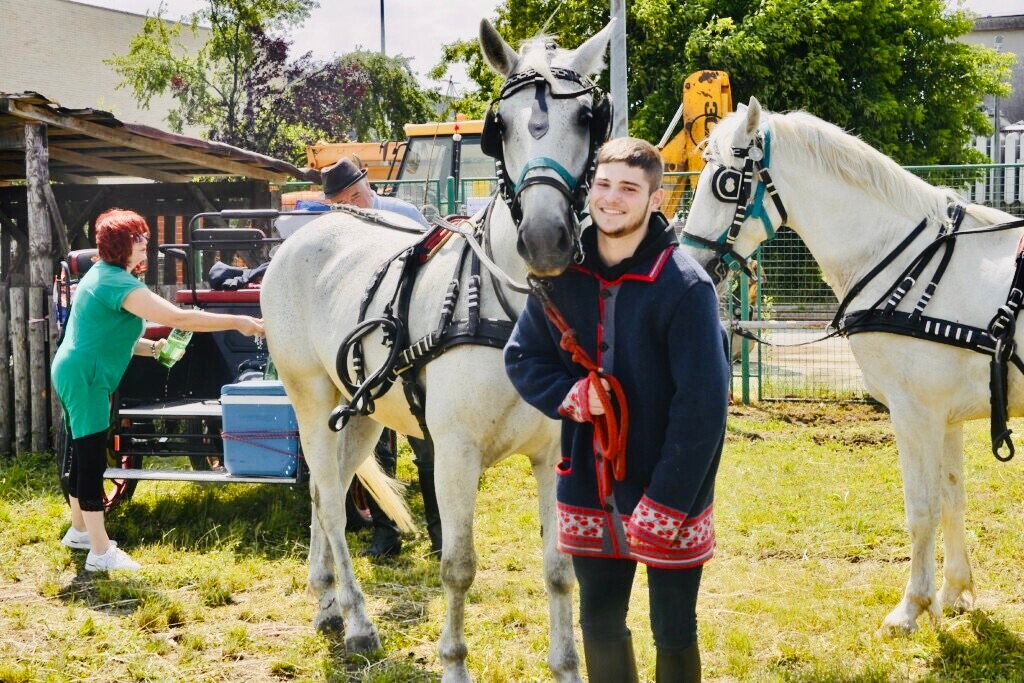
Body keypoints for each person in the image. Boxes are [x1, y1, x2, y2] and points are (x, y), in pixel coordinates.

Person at [503, 138, 729, 682]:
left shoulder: (685, 286)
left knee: (674, 627)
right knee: (599, 620)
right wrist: (569, 395)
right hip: (586, 485)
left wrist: (665, 504)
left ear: (655, 199)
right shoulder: (561, 279)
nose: (612, 198)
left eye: (629, 188)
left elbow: (702, 408)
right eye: (603, 185)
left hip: (670, 491)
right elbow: (523, 356)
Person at [53, 208, 265, 572]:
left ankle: (79, 531)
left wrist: (152, 349)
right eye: (140, 241)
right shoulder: (118, 283)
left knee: (78, 453)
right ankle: (101, 553)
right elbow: (179, 318)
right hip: (86, 377)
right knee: (89, 463)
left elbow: (107, 333)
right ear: (123, 245)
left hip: (75, 370)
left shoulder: (103, 276)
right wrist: (240, 322)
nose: (145, 248)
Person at [321, 158, 442, 559]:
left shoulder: (404, 216)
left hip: (408, 342)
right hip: (361, 346)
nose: (354, 206)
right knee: (375, 449)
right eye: (342, 203)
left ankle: (440, 536)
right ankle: (385, 532)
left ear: (367, 184)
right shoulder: (337, 231)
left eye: (356, 196)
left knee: (426, 444)